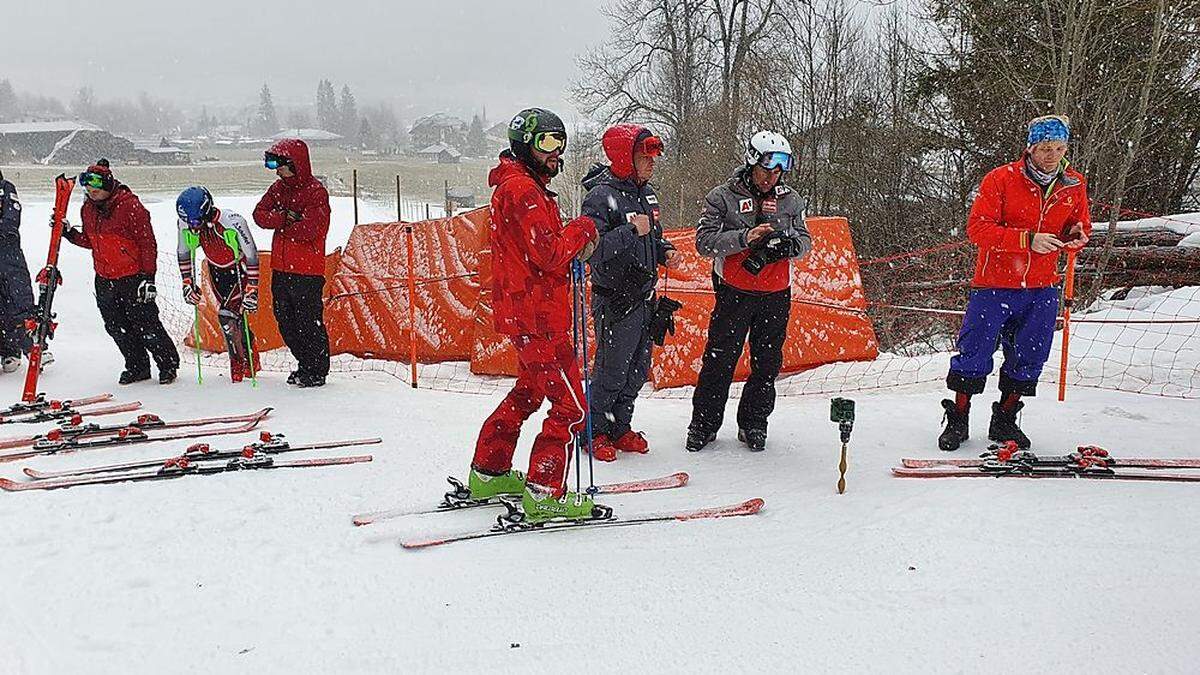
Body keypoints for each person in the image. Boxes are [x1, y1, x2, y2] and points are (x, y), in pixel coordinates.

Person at [467, 107, 602, 523]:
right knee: (572, 406)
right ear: (524, 143)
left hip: (529, 313)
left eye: (561, 143)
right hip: (538, 318)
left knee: (527, 393)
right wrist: (583, 229)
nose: (556, 153)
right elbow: (548, 253)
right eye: (546, 143)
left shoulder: (521, 186)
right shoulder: (523, 191)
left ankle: (489, 471)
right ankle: (545, 491)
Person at [938, 114, 1091, 451]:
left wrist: (1077, 236)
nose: (1052, 155)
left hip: (1043, 286)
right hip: (994, 284)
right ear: (1031, 147)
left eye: (1059, 147)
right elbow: (978, 229)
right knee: (974, 353)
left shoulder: (1074, 185)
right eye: (1045, 147)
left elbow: (1081, 226)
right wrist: (1026, 239)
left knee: (1030, 355)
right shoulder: (1000, 179)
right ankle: (959, 418)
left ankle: (1005, 418)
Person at [686, 131, 811, 452]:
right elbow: (704, 243)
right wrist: (745, 238)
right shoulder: (722, 196)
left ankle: (754, 422)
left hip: (775, 293)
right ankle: (704, 424)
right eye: (767, 169)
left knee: (767, 363)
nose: (773, 177)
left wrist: (786, 246)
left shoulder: (791, 199)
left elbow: (805, 242)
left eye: (779, 171)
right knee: (720, 360)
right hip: (734, 290)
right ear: (752, 162)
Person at [580, 123, 679, 461]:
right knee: (611, 369)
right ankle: (594, 432)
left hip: (645, 296)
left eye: (653, 156)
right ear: (625, 157)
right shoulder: (599, 196)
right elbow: (591, 249)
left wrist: (665, 250)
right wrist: (629, 230)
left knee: (638, 370)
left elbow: (654, 233)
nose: (652, 162)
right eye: (644, 156)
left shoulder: (646, 193)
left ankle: (620, 427)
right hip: (616, 298)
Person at [63, 160, 179, 385]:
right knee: (116, 326)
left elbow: (147, 244)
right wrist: (70, 234)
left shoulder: (130, 206)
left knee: (146, 324)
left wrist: (148, 278)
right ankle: (137, 366)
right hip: (105, 278)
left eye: (96, 187)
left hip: (133, 276)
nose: (91, 192)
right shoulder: (87, 209)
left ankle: (167, 364)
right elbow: (91, 241)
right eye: (87, 188)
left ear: (108, 184)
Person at [252, 138, 330, 388]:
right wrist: (285, 218)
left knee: (309, 322)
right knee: (285, 320)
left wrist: (282, 222)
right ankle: (304, 364)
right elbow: (259, 215)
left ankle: (317, 370)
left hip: (307, 271)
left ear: (294, 164)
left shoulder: (316, 192)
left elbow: (311, 229)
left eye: (279, 165)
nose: (276, 171)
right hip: (281, 268)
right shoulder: (278, 189)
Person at [176, 186, 261, 383]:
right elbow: (183, 252)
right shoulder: (185, 223)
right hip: (216, 272)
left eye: (196, 221)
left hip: (239, 270)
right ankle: (251, 360)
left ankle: (238, 367)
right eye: (188, 222)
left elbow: (252, 255)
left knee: (227, 316)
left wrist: (252, 289)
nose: (192, 226)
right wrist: (187, 283)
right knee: (236, 319)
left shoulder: (232, 221)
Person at [0, 169, 36, 373]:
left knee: (19, 300)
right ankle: (7, 351)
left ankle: (32, 347)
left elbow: (12, 219)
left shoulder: (6, 189)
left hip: (7, 254)